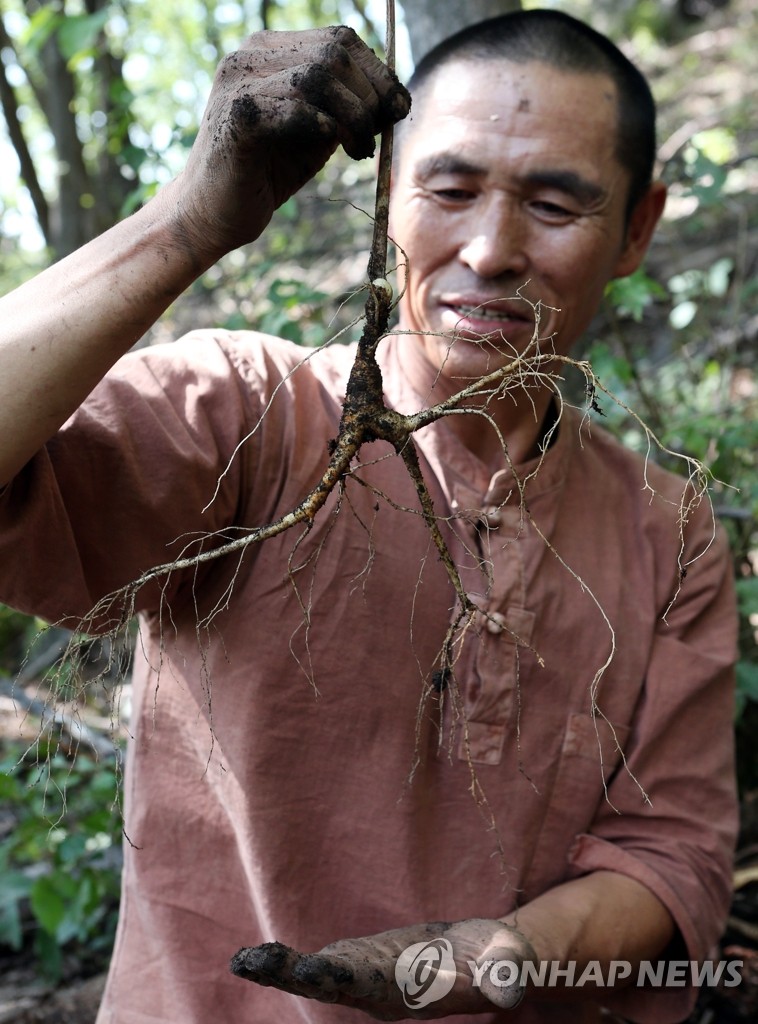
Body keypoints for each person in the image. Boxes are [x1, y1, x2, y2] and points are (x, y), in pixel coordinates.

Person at [0, 9, 738, 1024]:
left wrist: (495, 956)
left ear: (637, 229)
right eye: (447, 188)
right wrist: (191, 219)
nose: (488, 250)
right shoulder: (240, 412)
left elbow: (674, 852)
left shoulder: (669, 524)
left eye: (554, 206)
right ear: (388, 192)